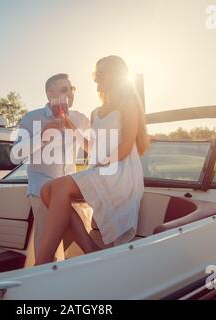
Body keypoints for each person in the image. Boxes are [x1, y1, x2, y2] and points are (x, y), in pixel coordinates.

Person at [36, 56, 150, 265]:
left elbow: (125, 146)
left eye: (101, 74)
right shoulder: (96, 112)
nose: (96, 78)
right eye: (96, 74)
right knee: (46, 190)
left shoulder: (129, 104)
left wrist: (101, 164)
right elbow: (93, 149)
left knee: (59, 188)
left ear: (115, 76)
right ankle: (89, 249)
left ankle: (42, 262)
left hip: (121, 171)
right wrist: (70, 126)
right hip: (102, 168)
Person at [11, 73, 90, 262]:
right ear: (49, 93)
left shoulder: (80, 119)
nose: (70, 93)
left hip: (71, 190)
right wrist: (42, 137)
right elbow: (15, 156)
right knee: (48, 247)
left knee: (77, 248)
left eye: (72, 89)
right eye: (64, 89)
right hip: (41, 190)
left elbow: (95, 149)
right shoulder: (32, 118)